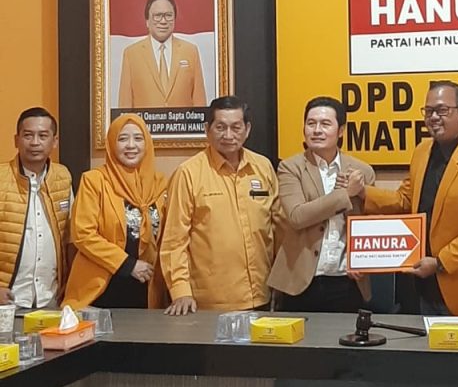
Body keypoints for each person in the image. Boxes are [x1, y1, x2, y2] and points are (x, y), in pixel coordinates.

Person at [346, 81, 458, 317]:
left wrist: (439, 262)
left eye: (442, 110)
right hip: (420, 286)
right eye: (429, 111)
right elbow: (405, 200)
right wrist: (363, 193)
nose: (433, 117)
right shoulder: (422, 152)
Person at [161, 95, 279, 314]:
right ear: (207, 129)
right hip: (209, 302)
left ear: (247, 129)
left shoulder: (263, 167)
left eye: (236, 127)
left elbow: (277, 227)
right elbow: (174, 240)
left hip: (261, 295)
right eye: (220, 127)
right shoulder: (188, 173)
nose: (228, 135)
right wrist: (180, 291)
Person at [269, 96, 375, 312]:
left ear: (341, 130)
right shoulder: (290, 167)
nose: (317, 130)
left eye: (325, 124)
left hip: (347, 280)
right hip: (301, 282)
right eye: (311, 123)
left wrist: (362, 260)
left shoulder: (362, 171)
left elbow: (368, 225)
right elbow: (297, 216)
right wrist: (345, 194)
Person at [64, 114, 168, 309]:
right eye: (122, 139)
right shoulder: (94, 181)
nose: (131, 145)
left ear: (147, 143)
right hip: (102, 290)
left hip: (148, 289)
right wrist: (128, 264)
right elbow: (83, 234)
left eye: (138, 138)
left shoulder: (161, 184)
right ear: (112, 143)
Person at [0, 107, 72, 308]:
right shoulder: (2, 178)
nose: (35, 142)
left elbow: (70, 237)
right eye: (28, 135)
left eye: (43, 136)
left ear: (54, 141)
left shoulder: (63, 177)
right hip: (8, 300)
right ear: (16, 140)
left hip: (51, 298)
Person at [117, 0, 206, 109]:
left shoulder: (190, 51)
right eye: (157, 16)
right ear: (147, 21)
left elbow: (200, 105)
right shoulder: (131, 54)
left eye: (168, 15)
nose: (163, 21)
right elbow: (125, 106)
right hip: (143, 122)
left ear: (174, 19)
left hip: (182, 121)